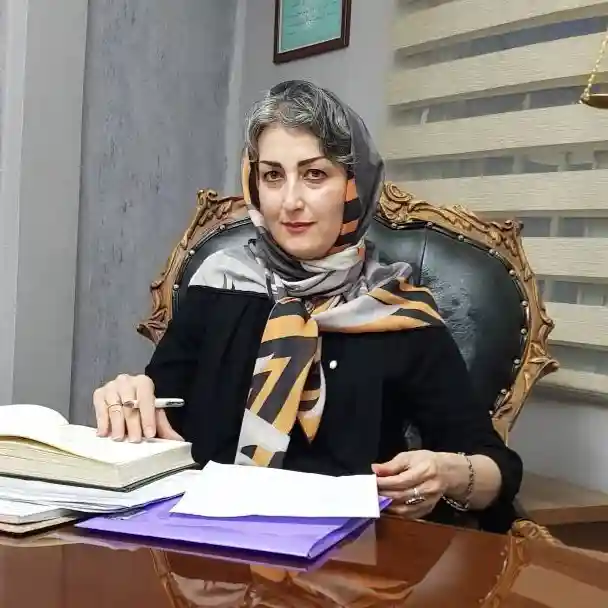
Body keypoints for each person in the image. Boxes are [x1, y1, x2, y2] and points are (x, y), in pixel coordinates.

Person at [93, 80, 523, 533]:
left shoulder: (399, 313)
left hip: (348, 556)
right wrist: (131, 399)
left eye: (315, 174)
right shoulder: (218, 285)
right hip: (203, 546)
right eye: (272, 176)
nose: (291, 202)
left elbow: (497, 470)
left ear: (354, 186)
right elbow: (160, 417)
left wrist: (449, 473)